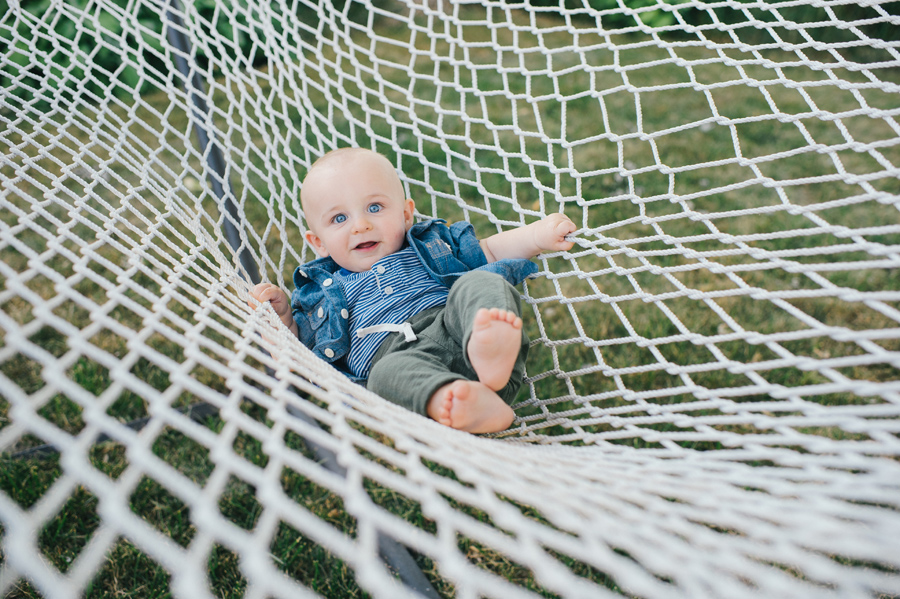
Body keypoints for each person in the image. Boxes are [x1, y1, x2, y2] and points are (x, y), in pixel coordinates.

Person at [250, 148, 576, 433]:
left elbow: (488, 251)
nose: (360, 225)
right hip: (403, 361)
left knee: (481, 283)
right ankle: (458, 403)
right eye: (339, 218)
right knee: (384, 377)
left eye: (375, 208)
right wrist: (283, 319)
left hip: (457, 327)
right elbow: (303, 350)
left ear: (406, 214)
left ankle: (490, 345)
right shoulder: (321, 296)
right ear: (318, 242)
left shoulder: (427, 245)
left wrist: (535, 237)